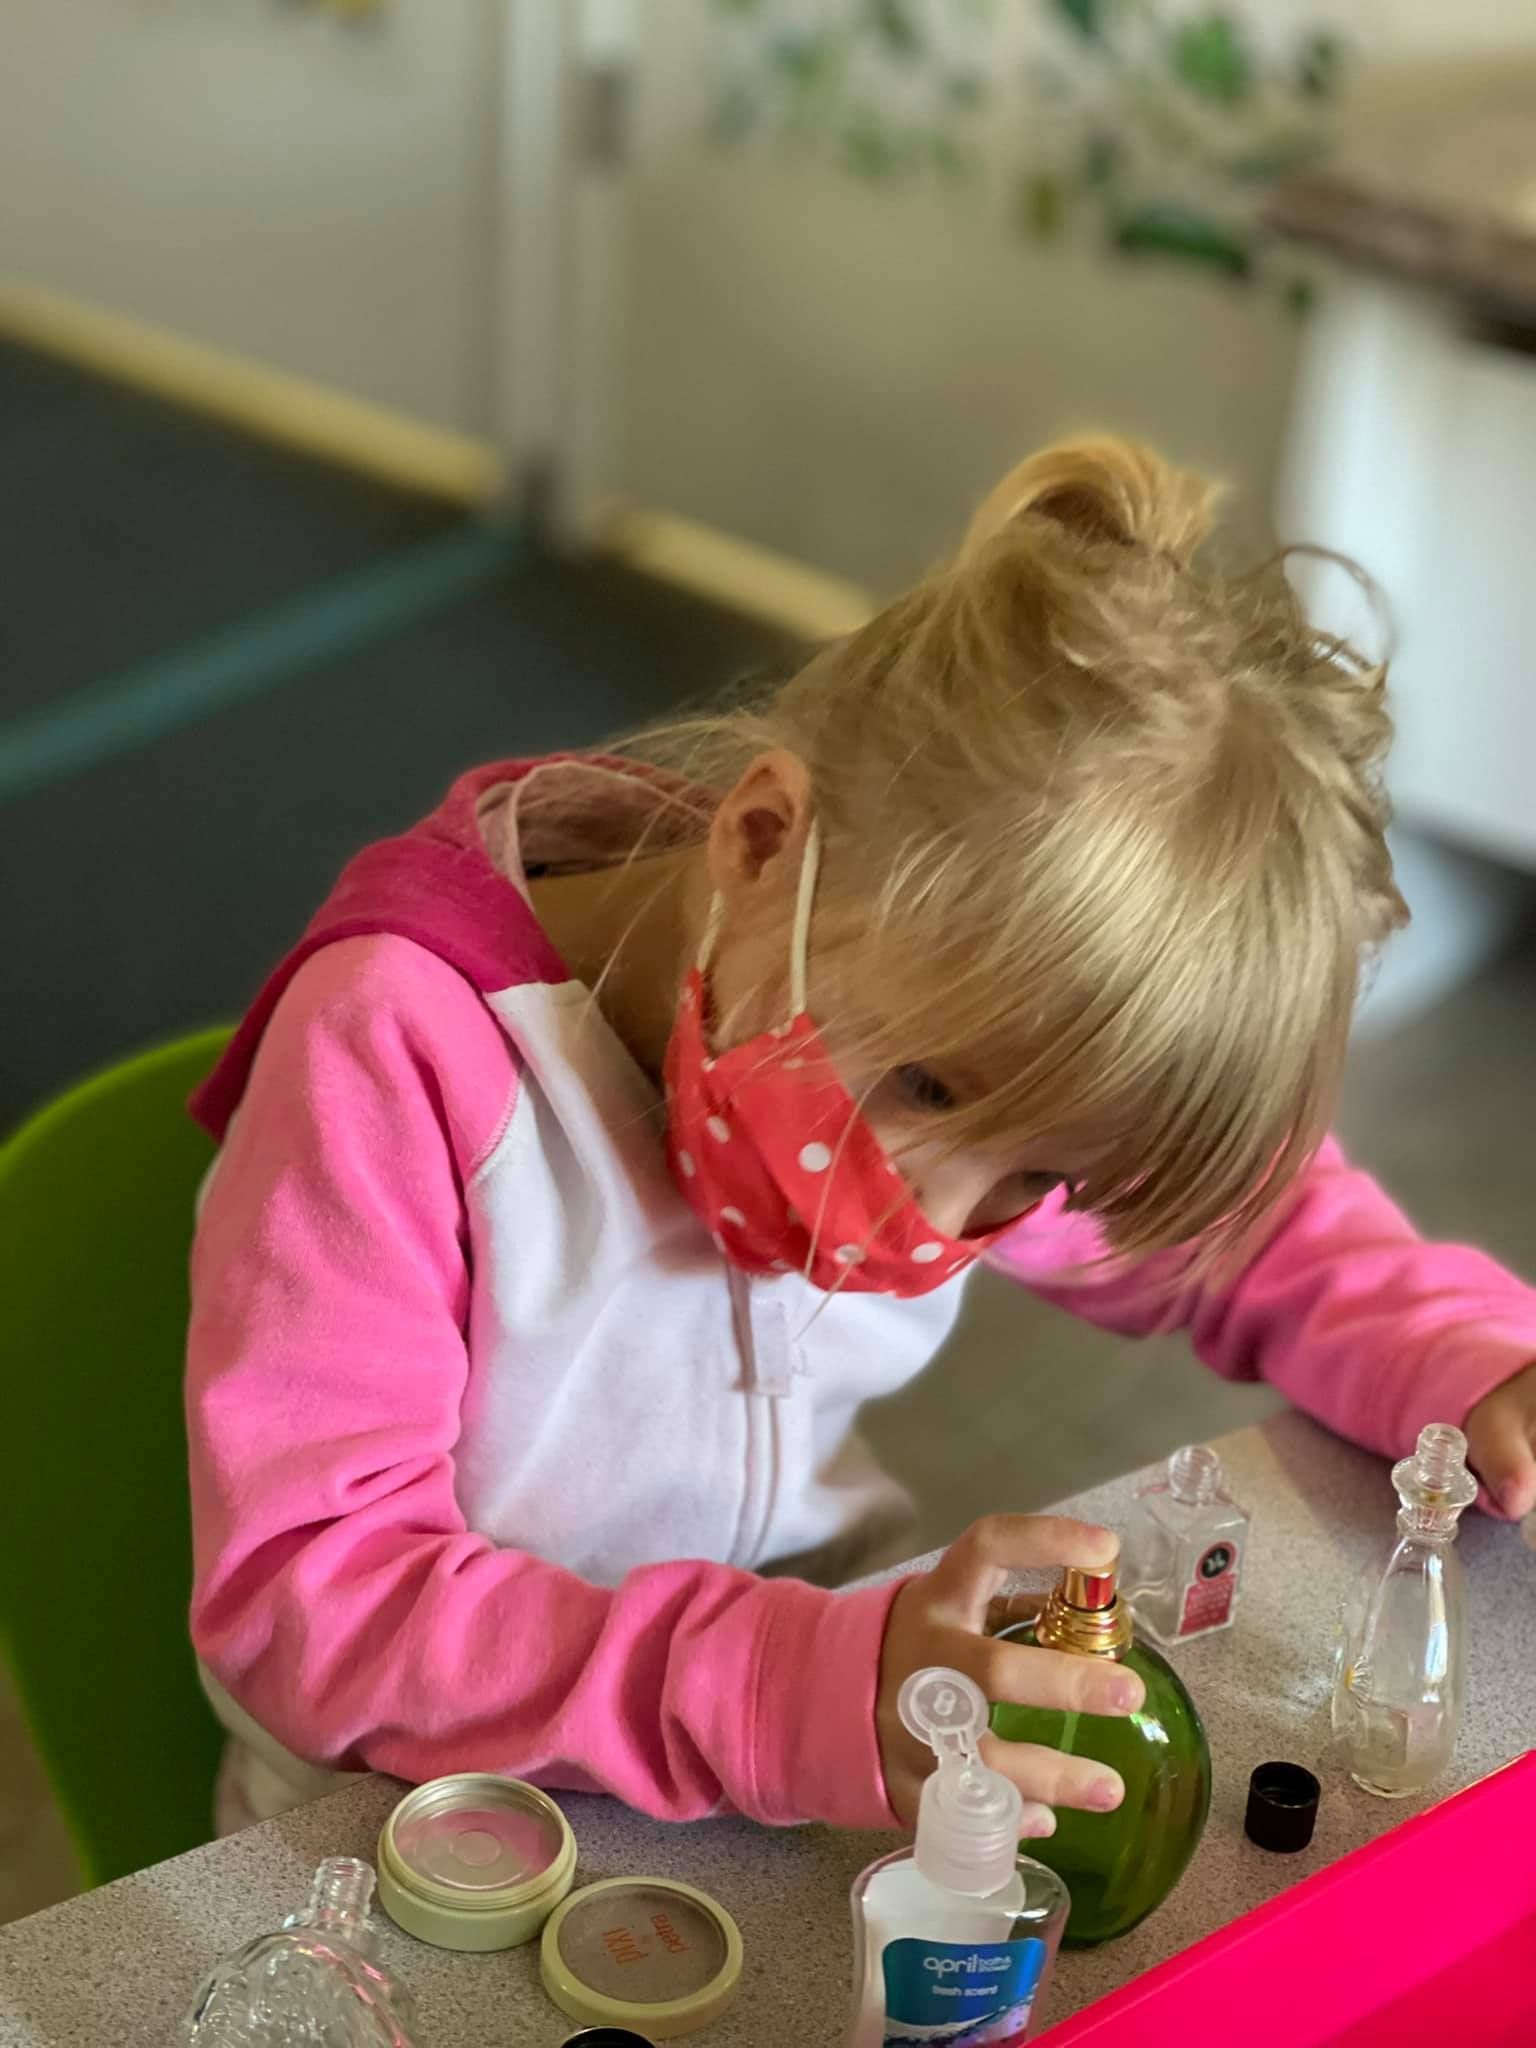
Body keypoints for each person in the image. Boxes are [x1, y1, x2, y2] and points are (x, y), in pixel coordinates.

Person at [185, 438, 1536, 1839]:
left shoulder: (938, 998)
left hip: (783, 1741)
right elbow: (311, 1604)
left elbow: (1244, 1230)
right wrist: (783, 1684)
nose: (941, 1214)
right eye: (932, 1094)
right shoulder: (400, 1052)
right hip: (413, 1818)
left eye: (1039, 1175)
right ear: (764, 841)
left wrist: (1473, 1357)